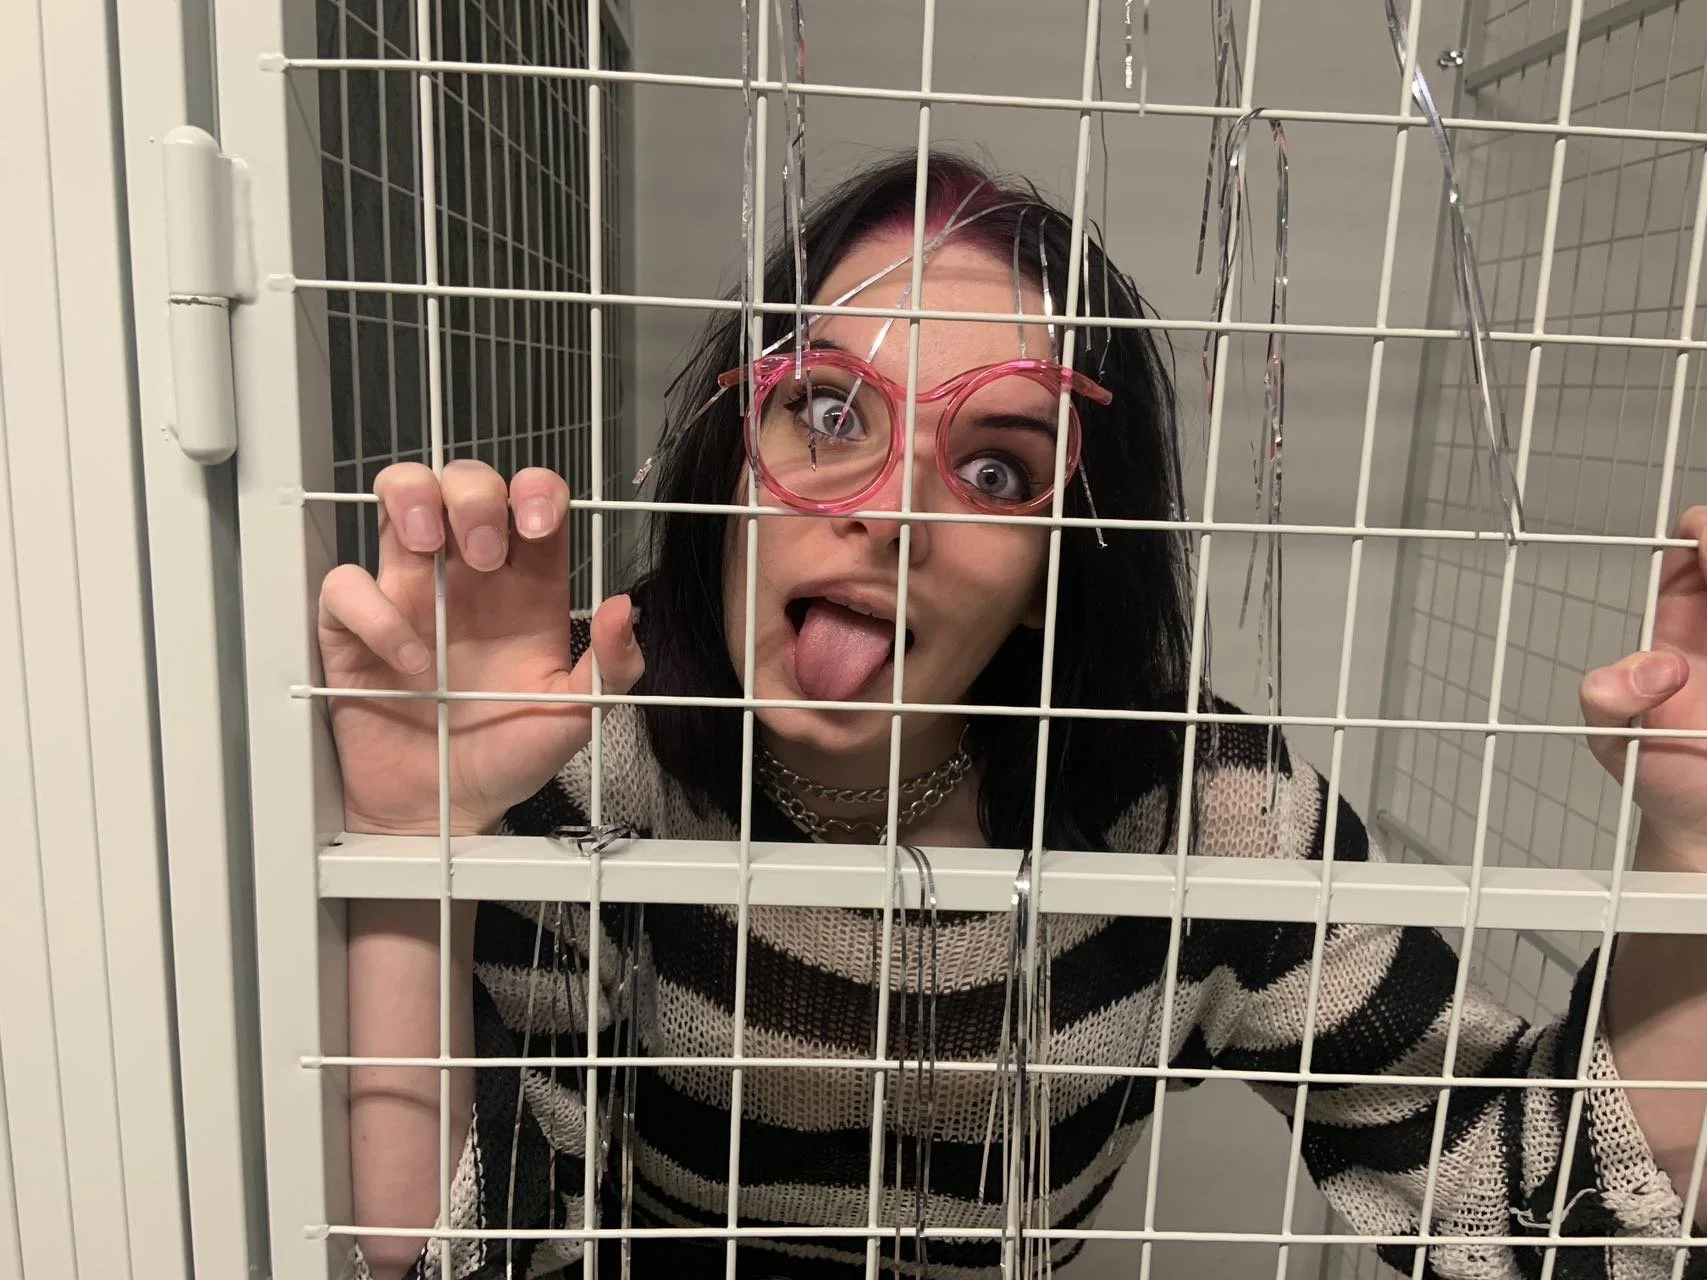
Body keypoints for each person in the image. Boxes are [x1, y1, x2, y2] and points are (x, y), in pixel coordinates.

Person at [321, 152, 1707, 1280]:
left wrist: (1694, 851)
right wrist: (410, 834)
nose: (888, 512)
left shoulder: (1196, 809)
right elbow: (444, 1253)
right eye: (826, 410)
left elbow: (1532, 1222)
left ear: (1055, 573)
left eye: (994, 470)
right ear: (731, 465)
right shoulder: (583, 739)